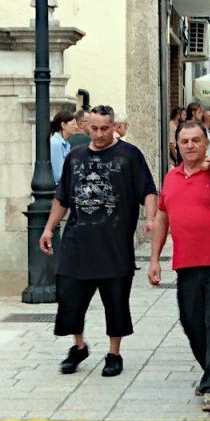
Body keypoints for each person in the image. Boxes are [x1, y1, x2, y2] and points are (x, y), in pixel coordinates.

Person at [38, 105, 157, 377]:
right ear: (85, 126)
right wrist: (48, 229)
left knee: (115, 301)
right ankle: (78, 346)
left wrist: (150, 218)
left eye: (106, 128)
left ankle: (114, 354)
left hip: (114, 246)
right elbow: (62, 198)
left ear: (114, 126)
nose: (100, 134)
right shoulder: (75, 156)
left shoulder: (129, 155)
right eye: (95, 128)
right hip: (77, 243)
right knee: (70, 298)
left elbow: (148, 190)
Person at [148, 120, 210, 412]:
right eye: (184, 141)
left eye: (196, 140)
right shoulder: (171, 177)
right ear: (177, 144)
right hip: (186, 262)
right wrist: (154, 259)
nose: (190, 145)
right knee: (190, 321)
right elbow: (162, 217)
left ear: (206, 143)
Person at [49, 110, 77, 185]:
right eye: (73, 124)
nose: (76, 127)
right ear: (63, 125)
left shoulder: (66, 144)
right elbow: (59, 174)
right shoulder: (55, 143)